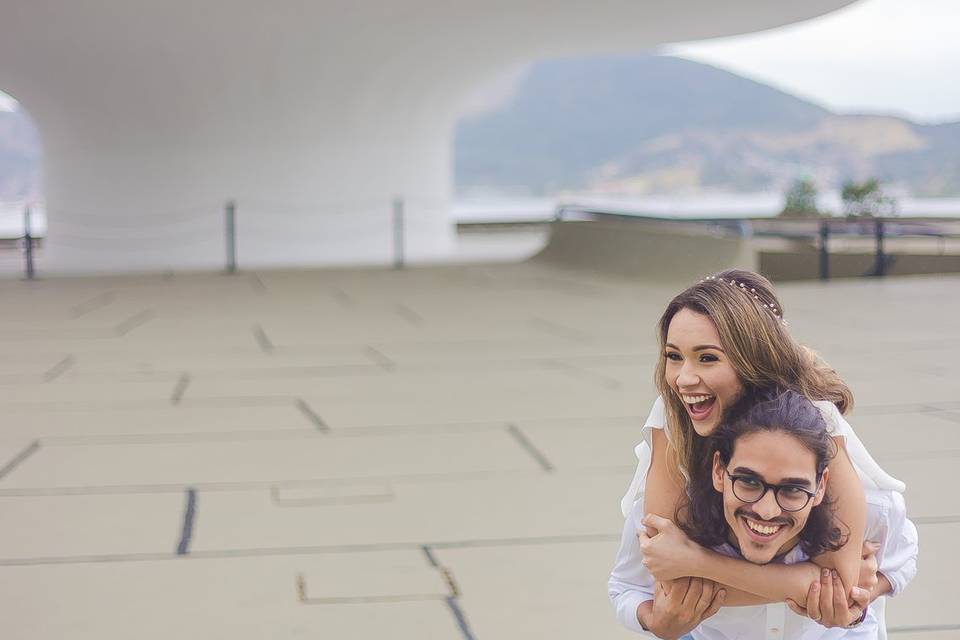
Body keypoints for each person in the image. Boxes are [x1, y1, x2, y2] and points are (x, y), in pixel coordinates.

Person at [618, 270, 906, 629]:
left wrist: (698, 563)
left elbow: (841, 586)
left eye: (707, 358)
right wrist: (804, 583)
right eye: (674, 356)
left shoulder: (816, 419)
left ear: (753, 358)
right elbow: (672, 588)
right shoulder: (671, 414)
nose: (683, 378)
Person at [609, 388, 918, 639]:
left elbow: (903, 557)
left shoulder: (874, 510)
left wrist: (861, 595)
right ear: (719, 470)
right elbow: (625, 587)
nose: (767, 511)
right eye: (748, 482)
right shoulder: (672, 519)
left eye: (792, 490)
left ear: (822, 484)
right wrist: (653, 619)